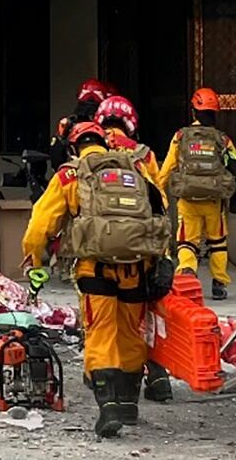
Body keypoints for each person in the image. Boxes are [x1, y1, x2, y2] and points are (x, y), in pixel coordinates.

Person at [23, 120, 174, 439]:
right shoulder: (134, 167)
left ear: (74, 146)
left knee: (101, 333)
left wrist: (34, 258)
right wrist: (163, 260)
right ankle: (129, 404)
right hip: (137, 266)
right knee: (131, 332)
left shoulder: (70, 174)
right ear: (105, 144)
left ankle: (107, 407)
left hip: (96, 268)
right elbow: (159, 209)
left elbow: (40, 225)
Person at [92, 93, 177, 402]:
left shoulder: (92, 152)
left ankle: (103, 379)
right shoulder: (144, 155)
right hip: (141, 250)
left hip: (98, 252)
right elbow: (160, 202)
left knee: (101, 319)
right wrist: (162, 252)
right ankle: (156, 376)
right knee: (146, 315)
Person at [161, 87, 236, 301]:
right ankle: (219, 284)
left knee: (187, 241)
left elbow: (166, 169)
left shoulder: (180, 137)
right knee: (218, 241)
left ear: (194, 112)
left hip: (187, 199)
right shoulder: (223, 140)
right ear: (215, 113)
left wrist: (159, 195)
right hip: (214, 200)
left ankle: (187, 276)